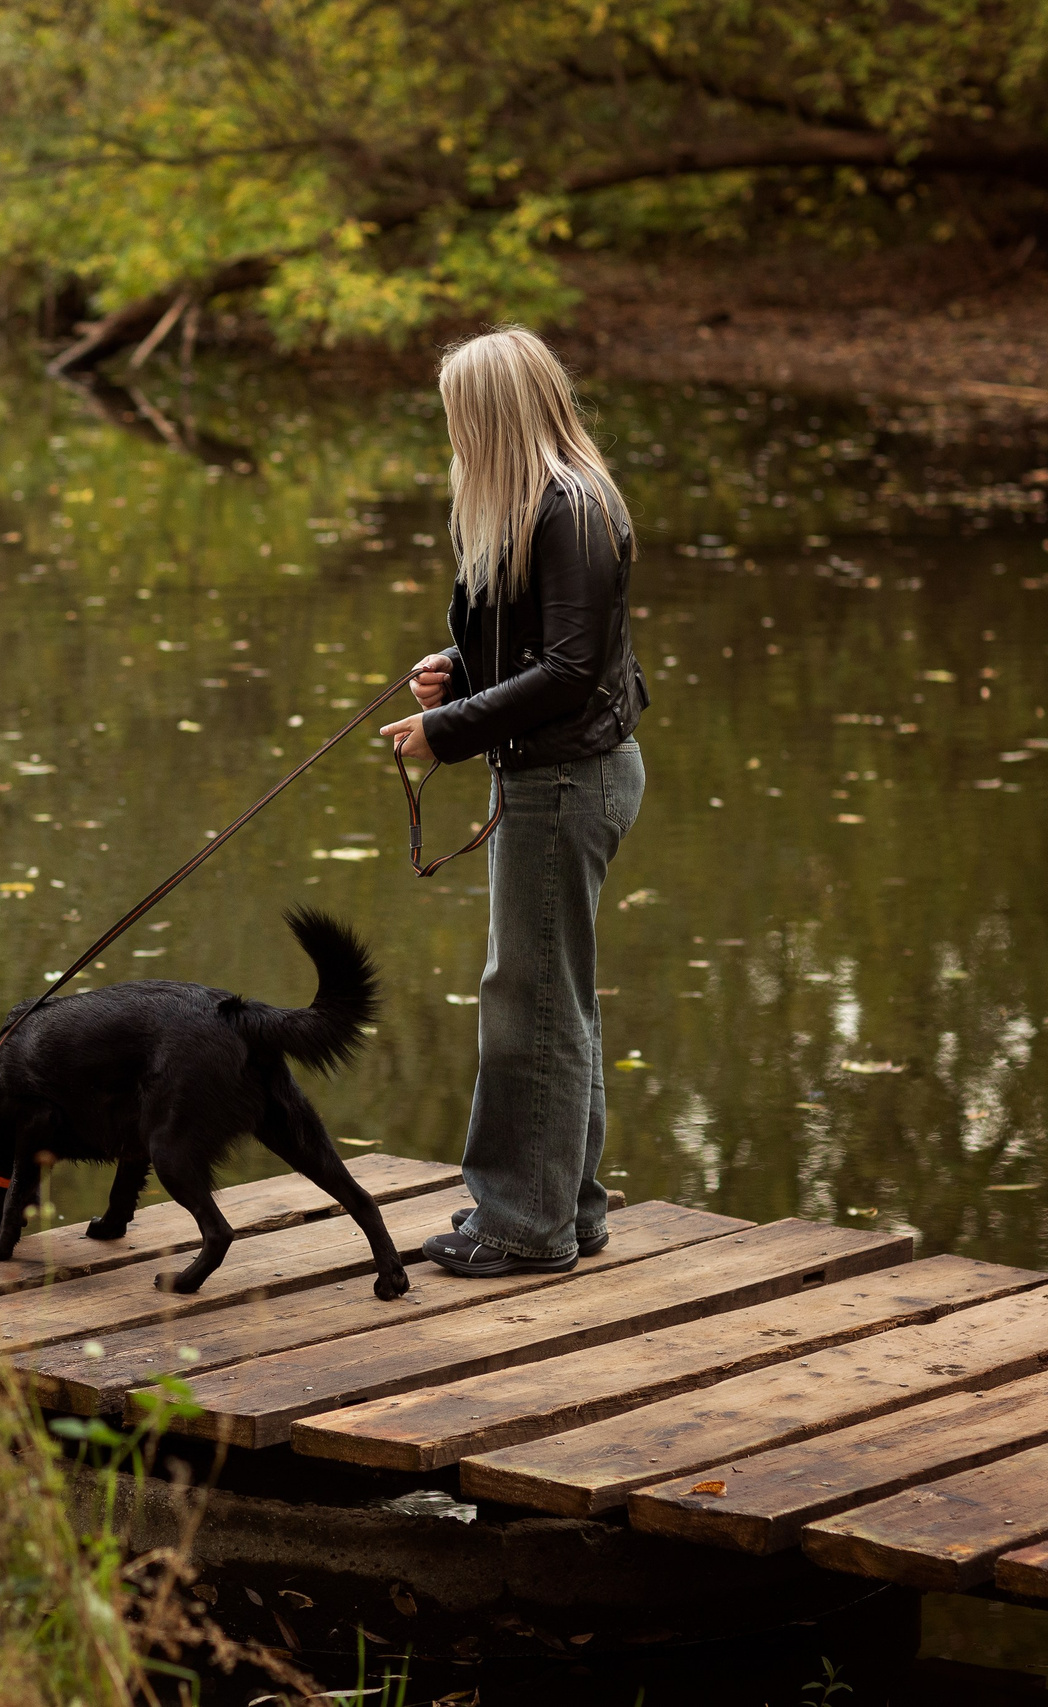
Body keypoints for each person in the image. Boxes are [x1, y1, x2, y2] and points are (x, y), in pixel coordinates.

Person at [377, 326, 646, 1277]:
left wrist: (447, 733)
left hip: (567, 780)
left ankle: (523, 1227)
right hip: (556, 774)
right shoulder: (546, 504)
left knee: (526, 1000)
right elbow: (545, 645)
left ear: (493, 415)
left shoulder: (568, 509)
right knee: (553, 997)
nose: (453, 436)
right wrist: (455, 669)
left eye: (460, 418)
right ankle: (566, 1206)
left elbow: (572, 671)